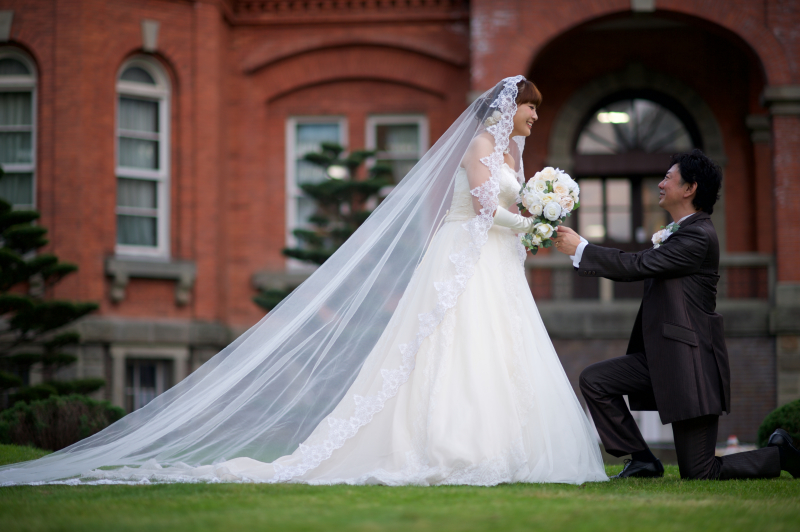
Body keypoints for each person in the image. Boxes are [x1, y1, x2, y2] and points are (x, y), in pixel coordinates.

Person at [0, 77, 607, 486]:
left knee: (500, 351)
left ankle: (511, 444)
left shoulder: (514, 159)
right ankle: (455, 445)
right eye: (532, 106)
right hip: (462, 263)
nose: (535, 115)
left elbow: (500, 211)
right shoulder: (480, 144)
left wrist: (530, 224)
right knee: (452, 349)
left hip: (498, 267)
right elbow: (479, 211)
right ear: (510, 108)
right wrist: (535, 222)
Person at [552, 149, 800, 480]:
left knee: (700, 471)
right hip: (659, 358)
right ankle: (642, 459)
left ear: (689, 188)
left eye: (668, 177)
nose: (660, 184)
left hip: (689, 363)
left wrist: (583, 249)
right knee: (596, 380)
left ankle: (779, 455)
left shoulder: (698, 235)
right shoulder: (680, 231)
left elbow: (639, 265)